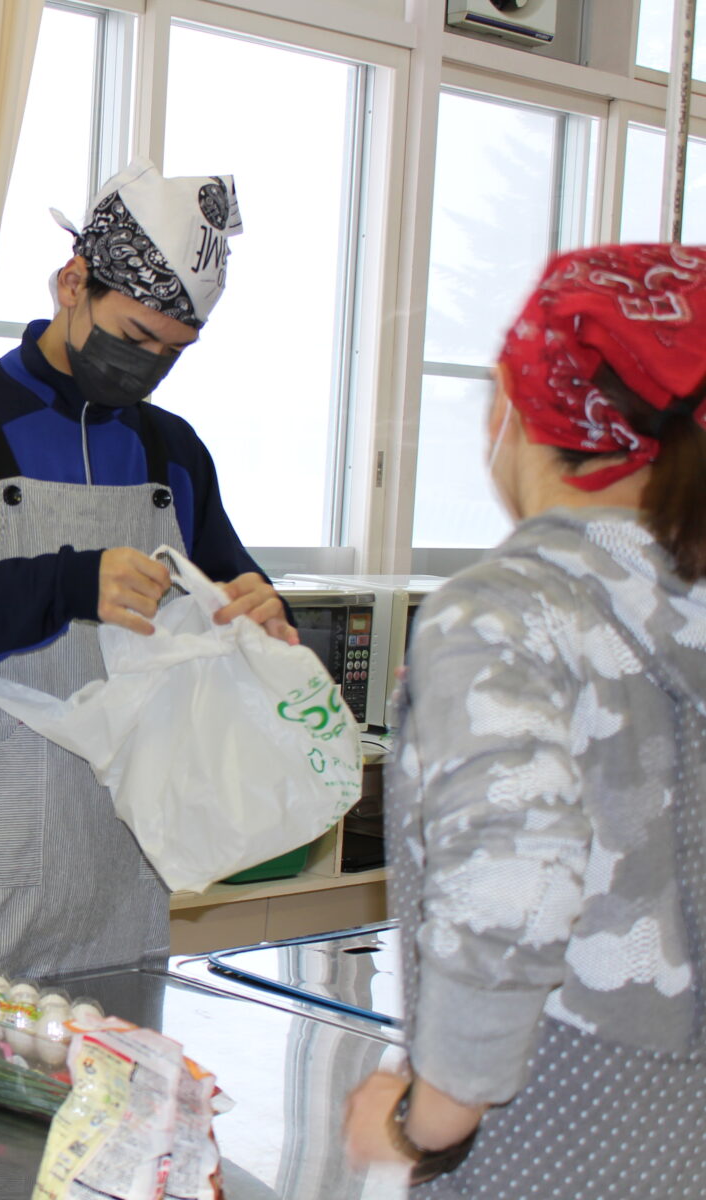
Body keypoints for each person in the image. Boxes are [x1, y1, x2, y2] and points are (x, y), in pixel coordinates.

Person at [0, 160, 293, 989]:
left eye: (172, 352)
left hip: (120, 878)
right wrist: (66, 586)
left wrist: (262, 619)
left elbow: (229, 610)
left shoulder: (172, 454)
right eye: (134, 337)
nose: (147, 366)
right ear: (72, 281)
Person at [344, 243, 706, 1192]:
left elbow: (514, 880)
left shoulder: (502, 614)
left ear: (515, 407)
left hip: (561, 1140)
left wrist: (428, 1121)